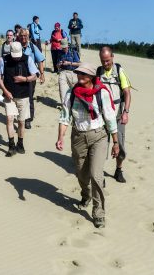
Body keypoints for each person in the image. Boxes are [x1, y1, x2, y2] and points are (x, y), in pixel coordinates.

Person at [56, 62, 119, 228]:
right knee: (81, 173)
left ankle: (98, 212)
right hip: (78, 137)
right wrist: (60, 137)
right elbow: (64, 117)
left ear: (91, 76)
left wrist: (115, 142)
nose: (80, 76)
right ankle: (86, 194)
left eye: (84, 74)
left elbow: (110, 118)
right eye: (78, 74)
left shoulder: (102, 93)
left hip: (99, 136)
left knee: (96, 174)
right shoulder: (71, 93)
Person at [0, 41, 39, 156]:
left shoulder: (27, 59)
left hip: (24, 96)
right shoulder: (4, 60)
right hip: (9, 96)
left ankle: (20, 144)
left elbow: (35, 75)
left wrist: (25, 79)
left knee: (21, 122)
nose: (16, 58)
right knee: (9, 119)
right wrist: (5, 91)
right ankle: (11, 146)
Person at [98, 46, 132, 183]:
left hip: (118, 115)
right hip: (102, 117)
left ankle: (118, 170)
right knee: (101, 147)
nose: (105, 64)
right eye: (103, 61)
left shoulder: (119, 71)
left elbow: (127, 93)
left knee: (120, 146)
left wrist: (126, 112)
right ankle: (99, 173)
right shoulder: (98, 72)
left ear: (112, 57)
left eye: (107, 60)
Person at [19, 28, 45, 129]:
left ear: (28, 36)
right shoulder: (16, 46)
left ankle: (28, 120)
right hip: (18, 75)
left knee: (29, 97)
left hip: (31, 75)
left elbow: (40, 60)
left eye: (25, 36)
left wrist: (42, 73)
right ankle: (20, 117)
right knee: (19, 97)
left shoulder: (33, 47)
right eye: (21, 36)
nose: (23, 38)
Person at [57, 38, 81, 104]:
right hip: (63, 72)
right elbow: (57, 65)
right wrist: (59, 64)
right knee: (62, 90)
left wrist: (69, 63)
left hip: (72, 73)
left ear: (67, 46)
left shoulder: (73, 52)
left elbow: (79, 64)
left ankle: (74, 104)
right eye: (62, 47)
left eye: (64, 47)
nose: (63, 49)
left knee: (75, 91)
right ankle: (64, 106)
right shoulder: (60, 53)